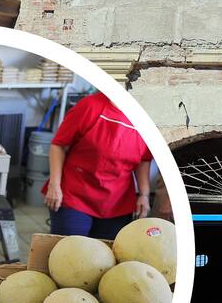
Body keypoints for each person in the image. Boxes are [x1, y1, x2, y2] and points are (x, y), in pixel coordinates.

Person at [43, 91, 153, 240]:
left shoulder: (146, 119)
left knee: (106, 258)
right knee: (69, 254)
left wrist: (144, 194)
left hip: (117, 204)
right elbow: (59, 145)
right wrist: (54, 185)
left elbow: (144, 160)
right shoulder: (90, 106)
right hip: (75, 196)